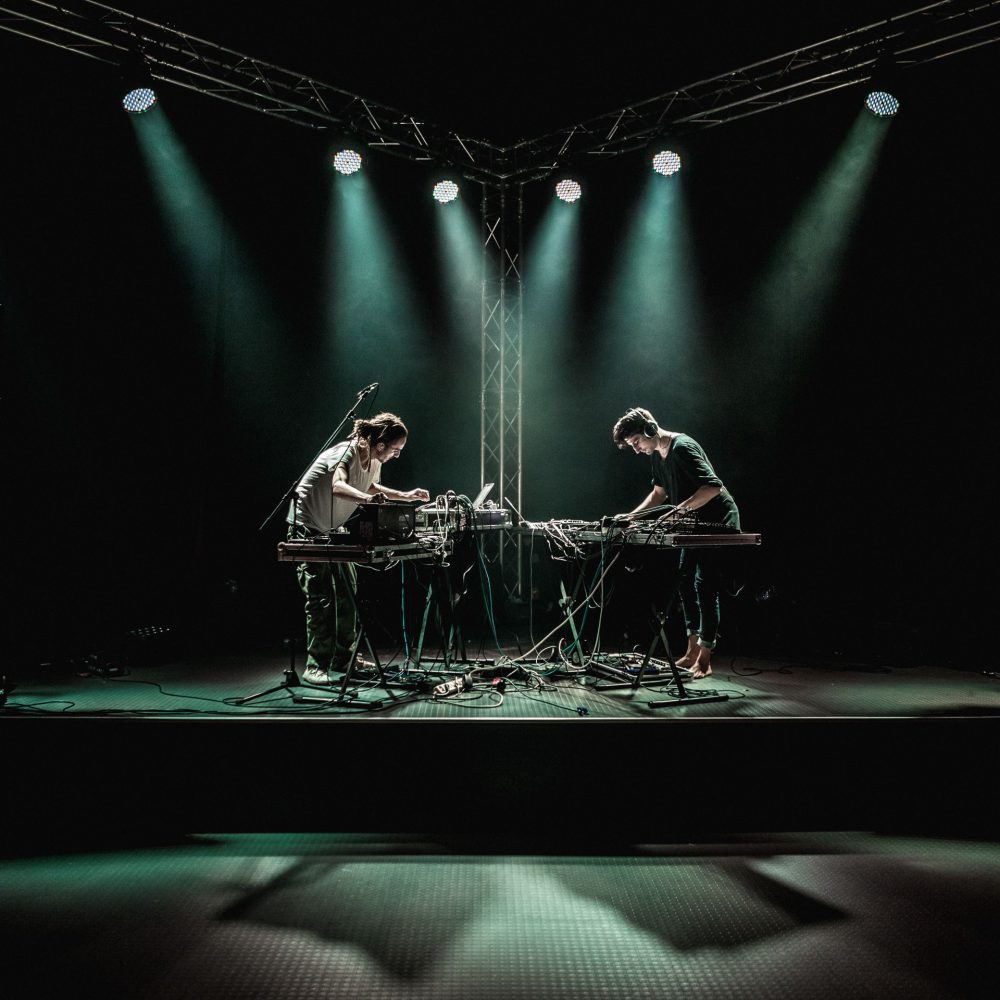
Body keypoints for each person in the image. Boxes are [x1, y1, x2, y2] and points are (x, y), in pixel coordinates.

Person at [287, 412, 429, 685]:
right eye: (396, 449)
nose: (397, 455)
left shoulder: (374, 460)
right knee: (321, 597)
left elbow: (369, 485)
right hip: (308, 527)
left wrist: (405, 495)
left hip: (331, 530)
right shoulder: (347, 452)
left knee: (346, 593)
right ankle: (316, 665)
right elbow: (338, 485)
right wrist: (367, 499)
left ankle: (344, 658)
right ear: (380, 445)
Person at [611, 406, 740, 678]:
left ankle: (705, 658)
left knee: (704, 586)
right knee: (684, 582)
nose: (637, 449)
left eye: (637, 442)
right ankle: (691, 651)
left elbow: (712, 487)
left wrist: (677, 512)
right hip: (694, 525)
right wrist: (631, 517)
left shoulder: (683, 448)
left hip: (717, 522)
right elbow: (659, 493)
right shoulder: (658, 456)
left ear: (650, 429)